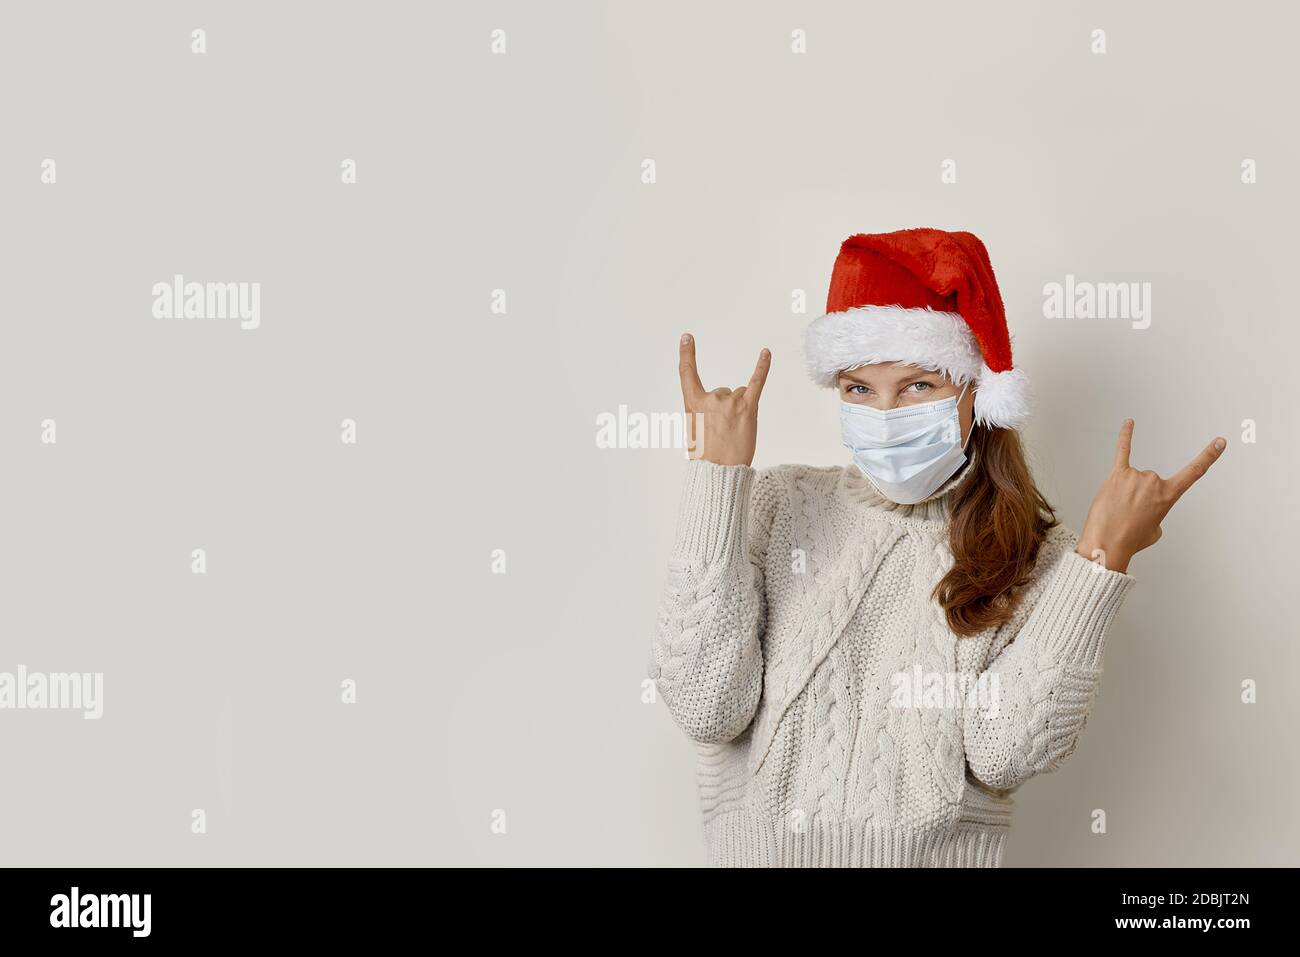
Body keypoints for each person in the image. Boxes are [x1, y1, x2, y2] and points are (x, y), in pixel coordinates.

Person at [647, 228, 1225, 867]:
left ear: (976, 394)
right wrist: (717, 478)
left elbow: (1006, 751)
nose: (886, 414)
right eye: (859, 389)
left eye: (919, 385)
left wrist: (1100, 561)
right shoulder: (782, 505)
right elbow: (705, 706)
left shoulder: (1032, 553)